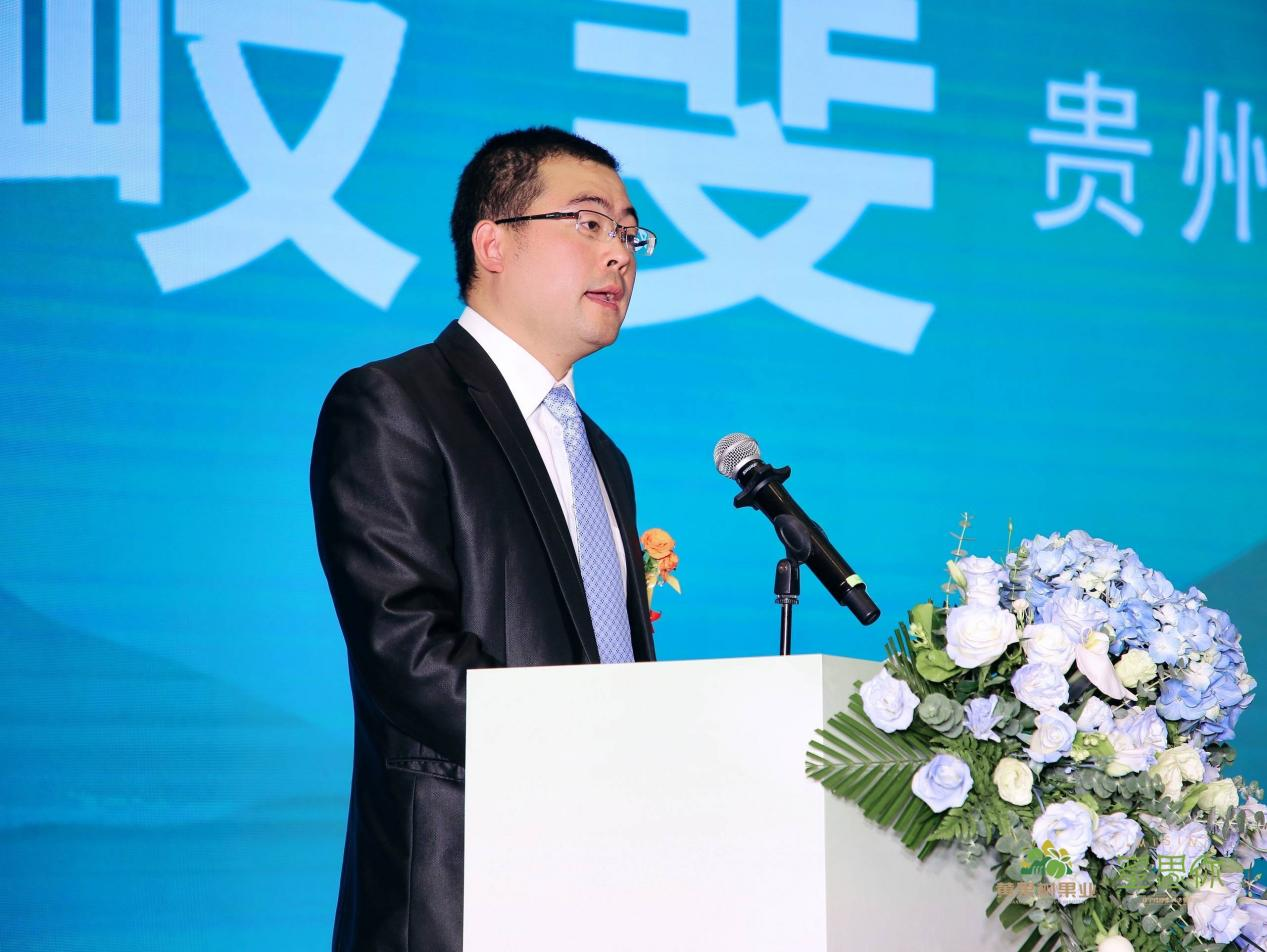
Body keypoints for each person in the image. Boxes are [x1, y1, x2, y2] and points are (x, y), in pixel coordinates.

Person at [310, 126, 657, 952]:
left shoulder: (602, 456)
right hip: (461, 888)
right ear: (492, 243)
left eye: (628, 233)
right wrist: (592, 756)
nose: (619, 254)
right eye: (588, 223)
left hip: (607, 878)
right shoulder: (394, 403)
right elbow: (405, 648)